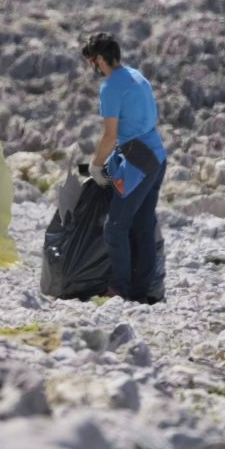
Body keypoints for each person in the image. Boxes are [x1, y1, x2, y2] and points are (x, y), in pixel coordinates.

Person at [81, 32, 167, 303]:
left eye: (90, 62)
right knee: (142, 223)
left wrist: (96, 166)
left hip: (137, 161)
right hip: (157, 155)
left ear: (98, 61)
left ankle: (119, 289)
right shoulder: (136, 75)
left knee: (115, 225)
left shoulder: (110, 88)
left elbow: (109, 135)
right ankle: (145, 291)